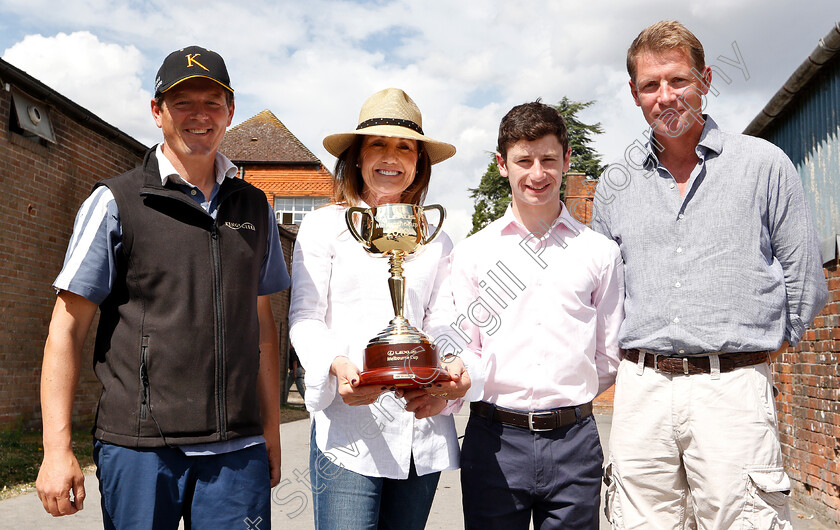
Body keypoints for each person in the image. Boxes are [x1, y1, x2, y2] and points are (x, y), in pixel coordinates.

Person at [35, 46, 290, 528]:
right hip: (140, 452)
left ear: (230, 112)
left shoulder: (256, 208)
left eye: (213, 102)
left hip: (237, 453)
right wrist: (56, 448)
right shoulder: (115, 203)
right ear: (157, 112)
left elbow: (262, 329)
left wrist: (271, 428)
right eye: (183, 103)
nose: (200, 115)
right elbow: (64, 332)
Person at [592, 21, 829, 530]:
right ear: (634, 95)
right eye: (651, 85)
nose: (666, 96)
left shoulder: (764, 166)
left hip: (732, 389)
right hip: (642, 392)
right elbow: (606, 295)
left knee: (744, 522)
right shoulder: (616, 187)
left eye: (678, 80)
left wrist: (750, 355)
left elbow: (806, 283)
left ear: (706, 79)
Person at [289, 87, 481, 530]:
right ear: (357, 156)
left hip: (421, 428)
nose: (390, 157)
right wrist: (337, 368)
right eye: (377, 144)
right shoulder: (323, 228)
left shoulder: (436, 238)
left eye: (404, 147)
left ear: (418, 163)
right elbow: (305, 317)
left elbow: (444, 323)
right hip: (350, 428)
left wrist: (443, 383)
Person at [451, 101, 624, 529]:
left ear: (567, 159)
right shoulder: (473, 252)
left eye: (548, 159)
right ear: (501, 165)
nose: (537, 174)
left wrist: (563, 396)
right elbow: (465, 347)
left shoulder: (599, 252)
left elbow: (609, 353)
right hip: (494, 440)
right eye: (523, 161)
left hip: (575, 442)